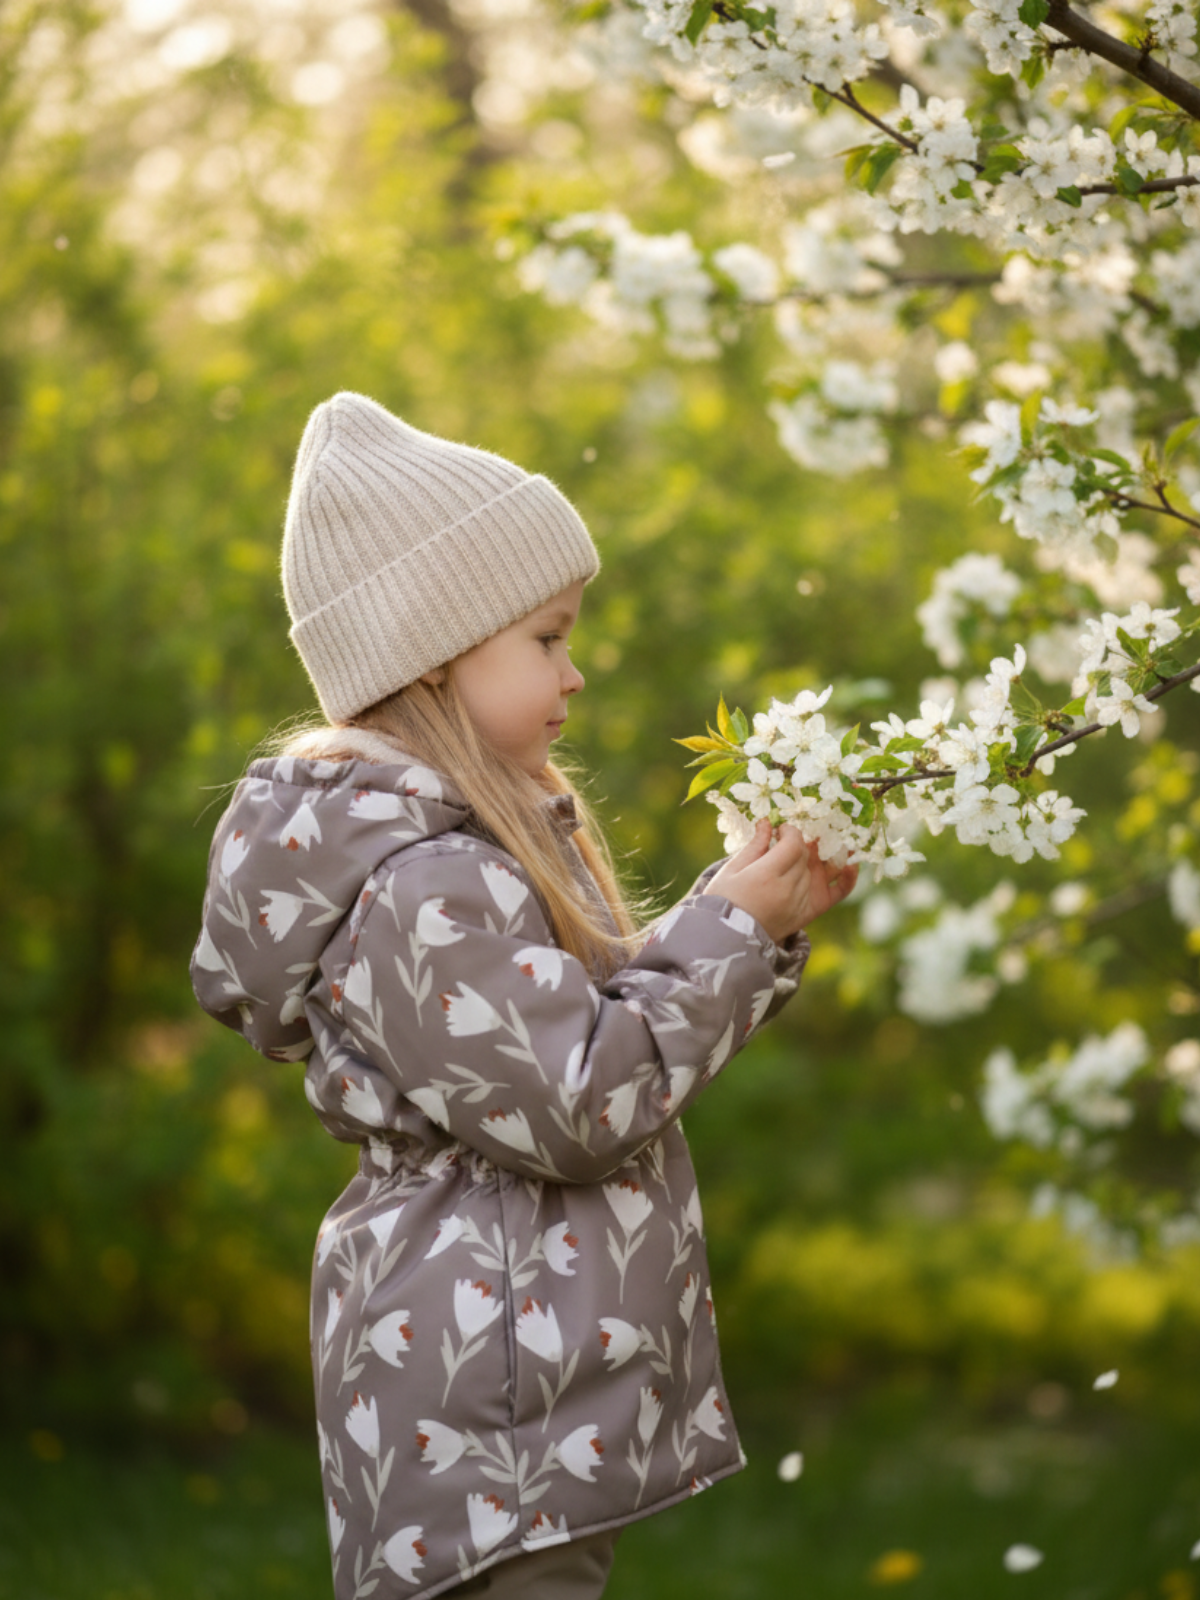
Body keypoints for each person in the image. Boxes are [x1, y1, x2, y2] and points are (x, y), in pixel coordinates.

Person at [191, 392, 856, 1600]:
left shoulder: (438, 862)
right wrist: (729, 930)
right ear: (438, 651)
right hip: (484, 1416)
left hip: (505, 1395)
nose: (578, 670)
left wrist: (751, 923)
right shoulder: (422, 884)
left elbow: (570, 1032)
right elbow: (581, 1100)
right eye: (547, 638)